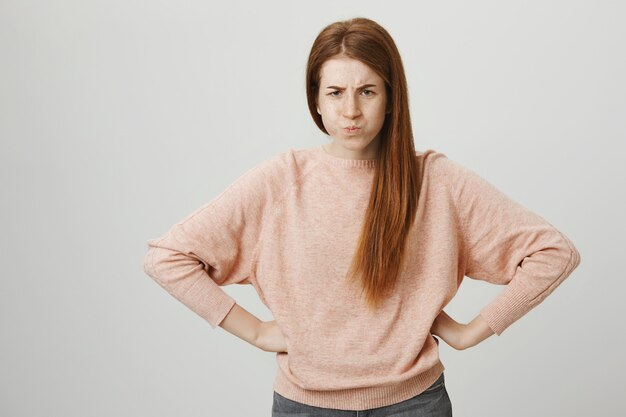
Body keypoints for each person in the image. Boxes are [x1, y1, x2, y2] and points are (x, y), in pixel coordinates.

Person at [142, 17, 581, 417]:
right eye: (335, 92)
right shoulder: (281, 180)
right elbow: (168, 258)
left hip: (415, 405)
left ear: (391, 98)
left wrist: (469, 333)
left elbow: (553, 252)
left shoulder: (435, 180)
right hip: (304, 406)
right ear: (315, 101)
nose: (350, 110)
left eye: (367, 91)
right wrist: (256, 331)